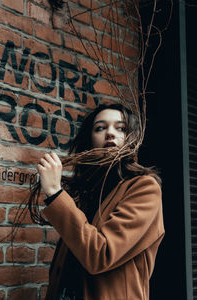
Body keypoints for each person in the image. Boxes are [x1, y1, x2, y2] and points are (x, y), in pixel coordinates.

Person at [36, 103, 165, 300]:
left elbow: (101, 255)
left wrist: (54, 192)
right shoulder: (86, 191)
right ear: (90, 139)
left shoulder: (144, 188)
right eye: (100, 128)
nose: (110, 134)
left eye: (120, 128)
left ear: (132, 138)